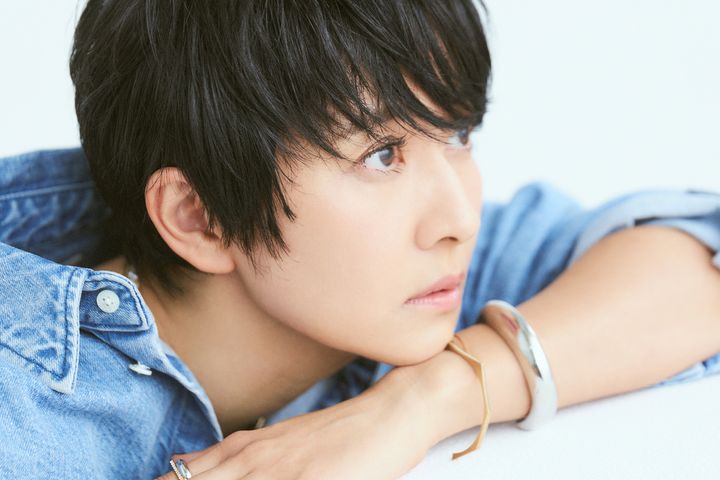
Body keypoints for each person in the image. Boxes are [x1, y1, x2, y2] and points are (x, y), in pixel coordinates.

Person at [1, 1, 719, 478]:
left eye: (458, 135)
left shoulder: (386, 290)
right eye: (382, 155)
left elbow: (695, 258)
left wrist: (422, 402)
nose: (459, 219)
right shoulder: (28, 418)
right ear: (200, 216)